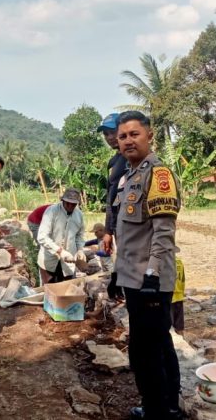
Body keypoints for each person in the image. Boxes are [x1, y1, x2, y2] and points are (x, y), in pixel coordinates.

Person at [112, 111, 183, 420]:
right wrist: (117, 273)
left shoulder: (159, 174)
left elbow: (163, 232)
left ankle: (158, 411)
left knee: (147, 351)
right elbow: (128, 235)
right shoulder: (130, 176)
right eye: (123, 136)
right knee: (157, 343)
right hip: (133, 277)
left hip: (149, 280)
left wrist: (152, 275)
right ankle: (166, 407)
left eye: (134, 134)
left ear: (149, 135)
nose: (128, 140)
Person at [97, 112, 128, 300]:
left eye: (112, 132)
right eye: (105, 134)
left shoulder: (132, 159)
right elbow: (111, 199)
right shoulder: (113, 162)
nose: (109, 137)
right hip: (118, 224)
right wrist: (108, 230)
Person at [36, 188, 85, 285]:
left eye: (73, 204)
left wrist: (80, 249)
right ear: (63, 200)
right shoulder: (52, 211)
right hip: (49, 260)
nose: (70, 206)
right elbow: (42, 236)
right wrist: (60, 251)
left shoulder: (79, 215)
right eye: (67, 203)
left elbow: (79, 235)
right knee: (49, 291)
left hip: (68, 263)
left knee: (67, 290)